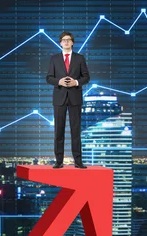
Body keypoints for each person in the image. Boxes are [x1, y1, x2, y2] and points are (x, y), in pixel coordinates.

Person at [46, 31, 90, 169]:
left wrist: (75, 82)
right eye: (63, 40)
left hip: (75, 98)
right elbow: (49, 78)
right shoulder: (54, 58)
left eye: (68, 40)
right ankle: (59, 161)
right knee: (59, 131)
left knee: (75, 131)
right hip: (59, 98)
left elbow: (86, 77)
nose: (66, 42)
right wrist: (59, 81)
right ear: (60, 43)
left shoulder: (80, 58)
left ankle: (78, 161)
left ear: (72, 42)